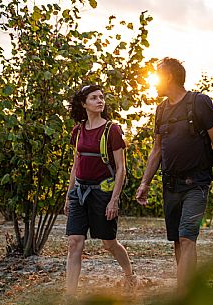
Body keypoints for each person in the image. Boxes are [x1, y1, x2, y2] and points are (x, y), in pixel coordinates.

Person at [135, 58, 213, 290]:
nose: (154, 83)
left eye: (157, 77)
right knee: (177, 240)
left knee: (187, 237)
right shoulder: (161, 110)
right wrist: (145, 182)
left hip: (196, 183)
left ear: (168, 77)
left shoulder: (200, 103)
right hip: (170, 185)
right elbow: (156, 150)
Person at [64, 84, 136, 297]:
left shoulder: (112, 130)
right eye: (94, 97)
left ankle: (130, 276)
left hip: (103, 194)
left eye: (101, 97)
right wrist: (70, 194)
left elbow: (121, 168)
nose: (100, 101)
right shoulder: (77, 130)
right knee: (74, 242)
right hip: (80, 192)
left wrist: (114, 200)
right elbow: (76, 164)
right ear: (83, 103)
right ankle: (70, 295)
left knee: (109, 243)